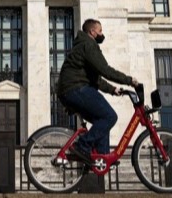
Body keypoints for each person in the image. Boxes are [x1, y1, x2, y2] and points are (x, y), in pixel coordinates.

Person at [56, 18, 139, 163]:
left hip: (69, 90)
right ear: (92, 32)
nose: (102, 34)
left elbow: (96, 79)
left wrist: (113, 89)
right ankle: (82, 145)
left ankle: (101, 160)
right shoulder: (88, 44)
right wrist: (129, 80)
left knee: (102, 120)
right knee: (109, 116)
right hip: (75, 88)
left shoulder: (82, 45)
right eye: (100, 31)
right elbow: (104, 70)